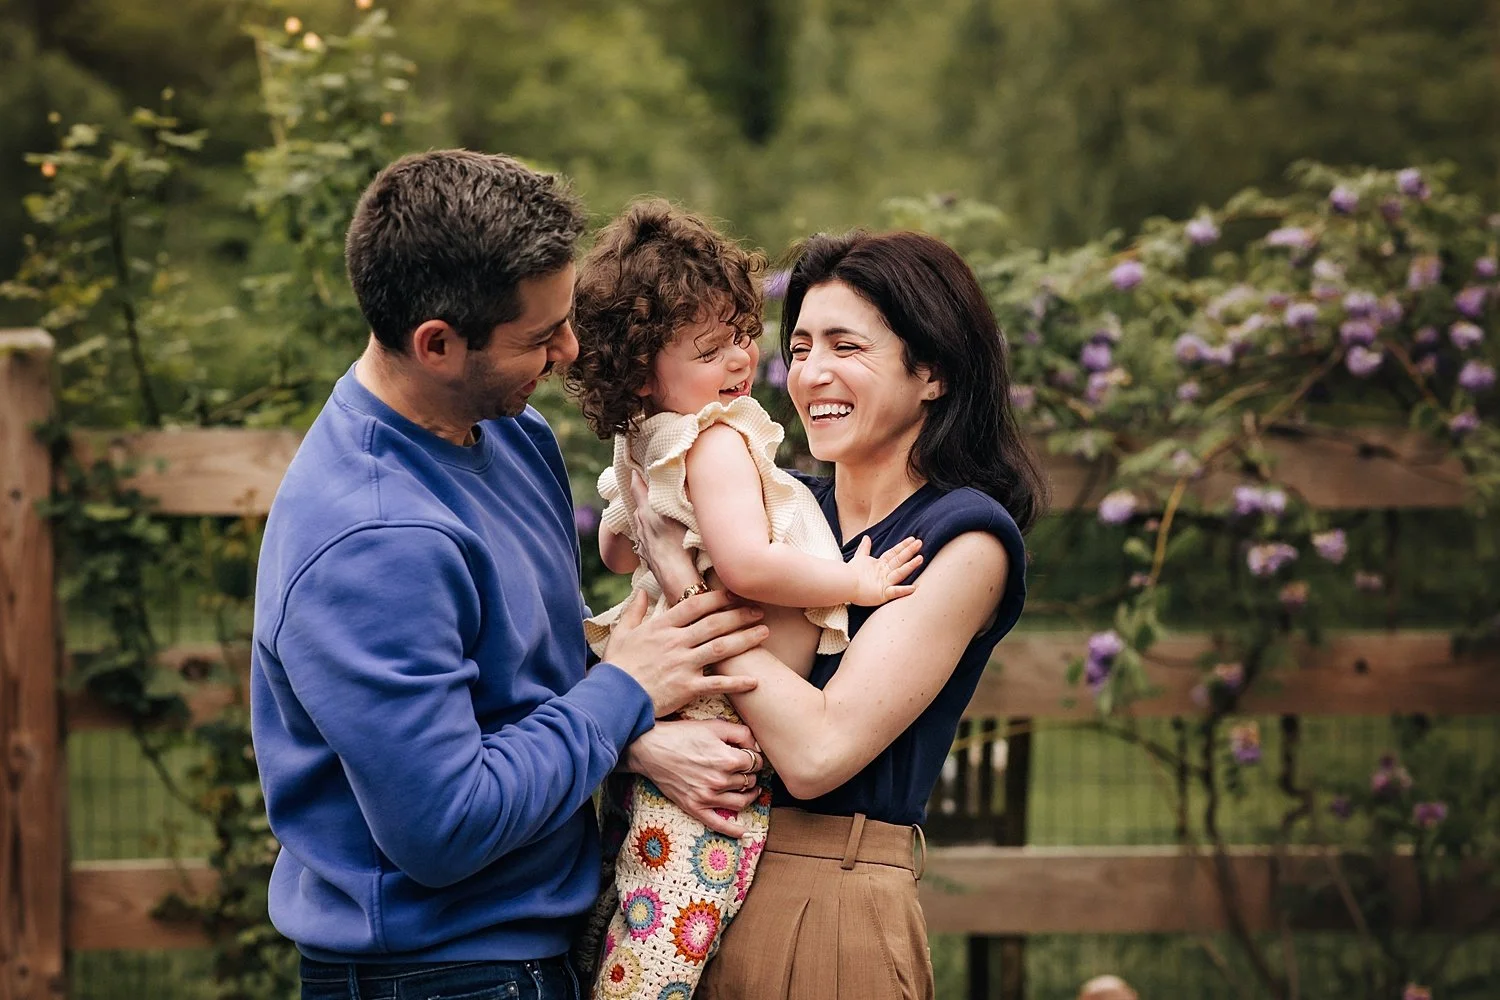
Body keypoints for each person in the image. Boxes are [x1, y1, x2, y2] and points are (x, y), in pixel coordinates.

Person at [249, 150, 771, 1000]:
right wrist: (624, 693)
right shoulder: (373, 539)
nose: (569, 352)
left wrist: (627, 727)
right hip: (436, 973)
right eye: (539, 335)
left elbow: (520, 693)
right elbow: (444, 826)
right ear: (437, 344)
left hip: (534, 946)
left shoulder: (507, 436)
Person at [625, 229, 1046, 1000]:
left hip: (827, 898)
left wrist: (686, 583)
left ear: (933, 373)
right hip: (685, 881)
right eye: (802, 345)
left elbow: (818, 751)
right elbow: (632, 672)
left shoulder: (963, 538)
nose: (811, 373)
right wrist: (641, 745)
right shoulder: (783, 514)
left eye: (846, 346)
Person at [562, 201, 922, 1000]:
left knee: (627, 905)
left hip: (670, 704)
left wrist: (664, 542)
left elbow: (620, 547)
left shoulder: (644, 442)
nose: (739, 361)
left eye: (741, 334)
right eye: (710, 348)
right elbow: (750, 567)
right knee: (671, 928)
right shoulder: (716, 438)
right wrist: (854, 583)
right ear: (642, 368)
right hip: (719, 721)